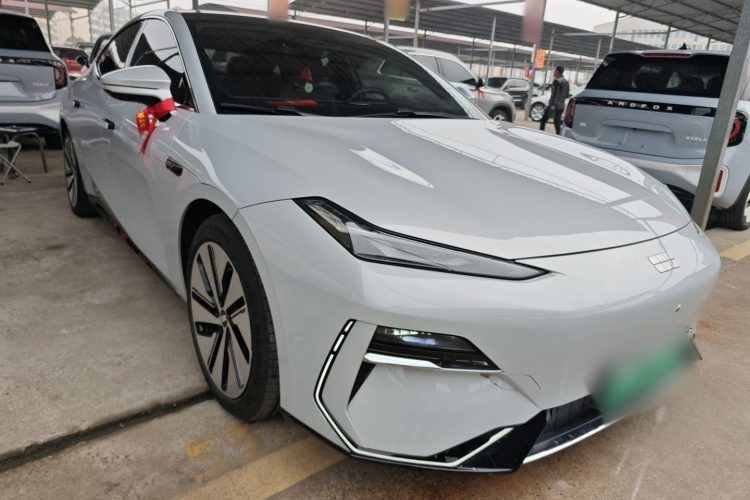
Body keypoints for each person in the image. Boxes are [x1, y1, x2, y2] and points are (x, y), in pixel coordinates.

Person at [539, 66, 570, 135]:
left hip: (554, 105)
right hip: (561, 105)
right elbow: (567, 95)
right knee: (557, 122)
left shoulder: (556, 81)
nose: (554, 72)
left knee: (543, 120)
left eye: (554, 71)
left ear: (557, 71)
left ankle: (540, 133)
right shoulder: (566, 82)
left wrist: (552, 104)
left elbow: (555, 94)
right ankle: (559, 135)